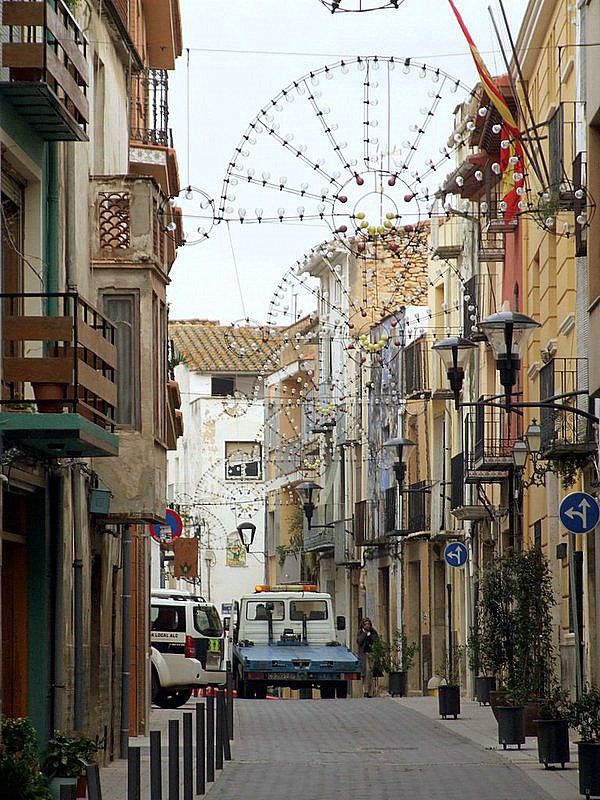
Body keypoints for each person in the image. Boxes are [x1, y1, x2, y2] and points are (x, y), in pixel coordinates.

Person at [357, 618, 379, 697]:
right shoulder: (360, 632)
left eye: (368, 624)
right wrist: (364, 633)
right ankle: (365, 691)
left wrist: (370, 635)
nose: (367, 626)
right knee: (364, 673)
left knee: (370, 672)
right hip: (363, 654)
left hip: (371, 653)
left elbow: (376, 640)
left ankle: (370, 691)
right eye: (365, 624)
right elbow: (359, 641)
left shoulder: (373, 632)